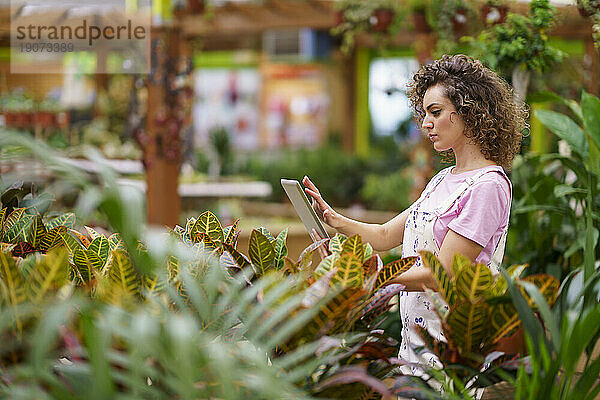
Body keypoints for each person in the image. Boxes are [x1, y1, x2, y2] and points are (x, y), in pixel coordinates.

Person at [303, 54, 528, 371]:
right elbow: (384, 236)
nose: (426, 123)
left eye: (435, 112)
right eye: (424, 113)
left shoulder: (487, 186)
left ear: (468, 112)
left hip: (451, 348)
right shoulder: (441, 180)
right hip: (416, 341)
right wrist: (332, 218)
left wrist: (370, 279)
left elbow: (443, 274)